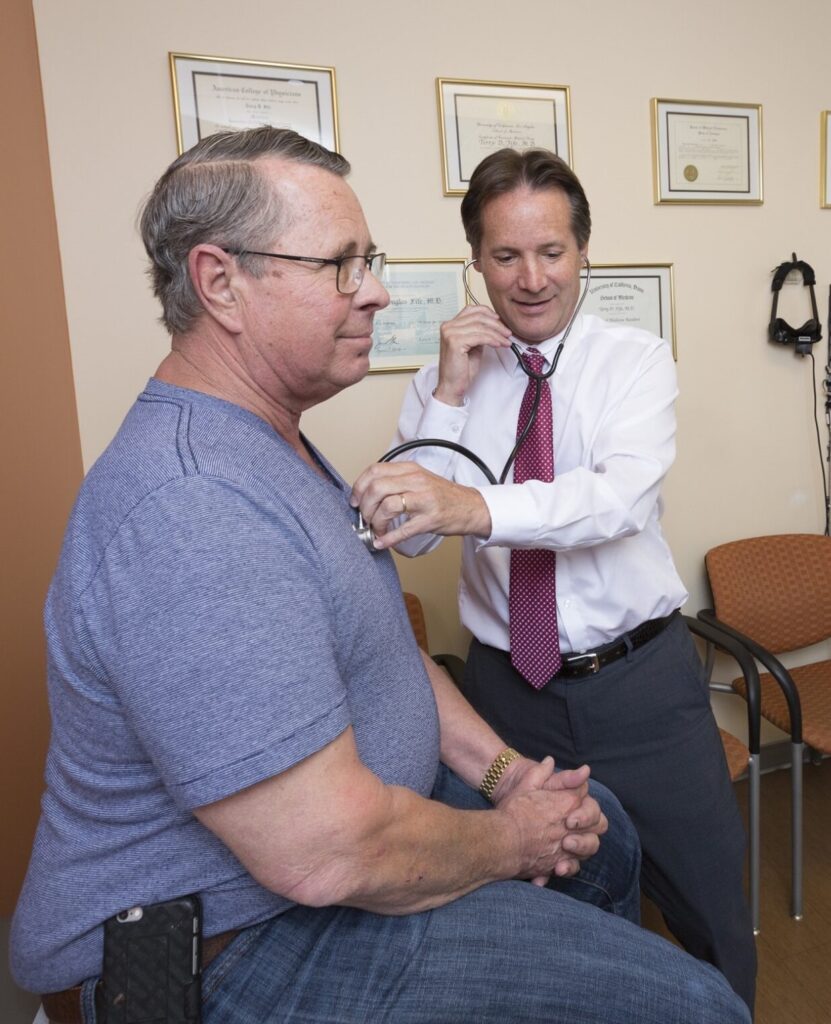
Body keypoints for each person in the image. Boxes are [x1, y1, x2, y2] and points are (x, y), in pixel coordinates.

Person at [11, 128, 749, 1024]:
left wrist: (504, 774)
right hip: (241, 929)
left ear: (581, 254)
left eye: (371, 260)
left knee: (618, 848)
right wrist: (509, 832)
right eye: (340, 265)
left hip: (627, 677)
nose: (376, 292)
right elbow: (326, 848)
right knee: (691, 1004)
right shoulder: (193, 502)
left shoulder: (277, 442)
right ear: (219, 284)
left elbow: (591, 513)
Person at [352, 147, 756, 1012]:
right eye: (505, 256)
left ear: (583, 254)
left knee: (711, 905)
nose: (530, 278)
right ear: (476, 263)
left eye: (551, 252)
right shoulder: (439, 383)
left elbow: (611, 501)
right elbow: (407, 539)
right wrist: (451, 391)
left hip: (641, 688)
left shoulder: (635, 361)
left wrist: (472, 508)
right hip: (509, 694)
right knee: (550, 914)